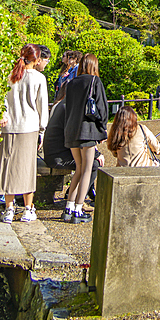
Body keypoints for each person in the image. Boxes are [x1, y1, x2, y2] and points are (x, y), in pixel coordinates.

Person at [0, 44, 49, 224]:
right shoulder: (38, 78)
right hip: (29, 127)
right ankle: (28, 209)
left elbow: (2, 102)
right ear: (37, 59)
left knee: (8, 168)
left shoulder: (11, 76)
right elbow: (41, 107)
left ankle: (9, 208)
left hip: (8, 127)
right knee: (27, 168)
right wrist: (42, 130)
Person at [63, 52, 108, 223]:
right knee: (87, 169)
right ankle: (78, 208)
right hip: (87, 130)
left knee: (79, 169)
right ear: (94, 66)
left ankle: (69, 206)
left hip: (71, 130)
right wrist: (102, 130)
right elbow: (102, 109)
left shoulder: (72, 82)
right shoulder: (95, 81)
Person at [42, 83, 103, 196]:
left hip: (55, 153)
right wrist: (96, 154)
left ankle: (77, 192)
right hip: (58, 158)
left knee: (89, 161)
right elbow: (77, 136)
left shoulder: (63, 105)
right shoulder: (68, 108)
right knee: (94, 164)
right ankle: (77, 196)